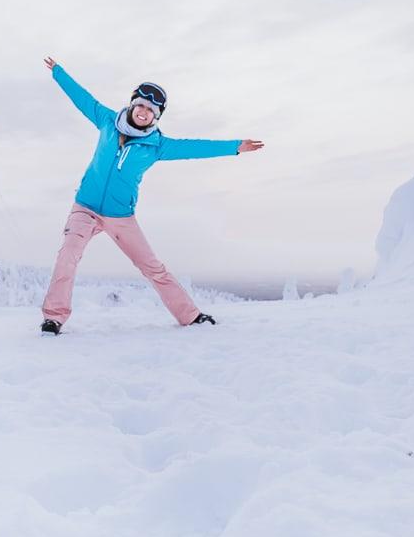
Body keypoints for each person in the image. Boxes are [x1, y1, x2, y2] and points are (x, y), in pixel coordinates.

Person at [39, 56, 264, 335]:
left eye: (151, 109)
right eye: (141, 105)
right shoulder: (107, 120)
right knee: (67, 255)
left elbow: (194, 148)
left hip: (121, 216)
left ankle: (190, 315)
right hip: (84, 207)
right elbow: (82, 98)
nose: (144, 112)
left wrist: (234, 147)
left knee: (152, 267)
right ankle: (54, 317)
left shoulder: (156, 146)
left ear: (156, 116)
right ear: (133, 105)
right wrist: (58, 73)